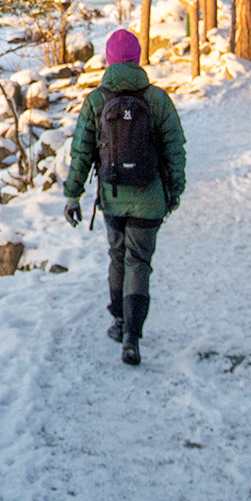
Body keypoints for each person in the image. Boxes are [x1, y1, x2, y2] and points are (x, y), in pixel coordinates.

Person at [62, 28, 187, 366]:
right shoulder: (157, 99)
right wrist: (174, 191)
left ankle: (119, 321)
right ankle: (133, 334)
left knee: (118, 257)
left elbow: (81, 152)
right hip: (150, 199)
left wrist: (73, 194)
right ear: (137, 59)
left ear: (110, 60)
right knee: (139, 262)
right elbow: (175, 149)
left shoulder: (96, 101)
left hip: (113, 197)